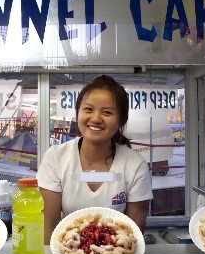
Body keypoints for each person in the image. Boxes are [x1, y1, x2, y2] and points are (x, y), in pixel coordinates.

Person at [36, 75, 153, 244]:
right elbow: (49, 228)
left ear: (121, 120)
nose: (96, 118)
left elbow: (132, 236)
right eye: (88, 109)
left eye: (107, 112)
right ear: (78, 113)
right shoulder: (55, 157)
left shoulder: (135, 166)